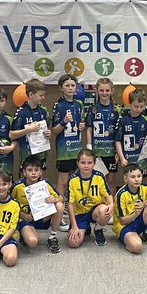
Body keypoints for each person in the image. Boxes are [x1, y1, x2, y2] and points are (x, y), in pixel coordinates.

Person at [11, 155, 65, 253]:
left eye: (36, 170)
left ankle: (52, 237)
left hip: (42, 216)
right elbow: (8, 204)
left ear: (41, 172)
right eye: (30, 170)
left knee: (59, 205)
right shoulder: (17, 186)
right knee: (32, 242)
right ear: (24, 172)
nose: (33, 173)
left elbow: (61, 198)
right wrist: (22, 214)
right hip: (26, 219)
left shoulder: (45, 183)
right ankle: (24, 234)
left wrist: (54, 199)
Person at [67, 149, 113, 248]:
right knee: (74, 243)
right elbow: (70, 204)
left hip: (95, 211)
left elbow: (108, 195)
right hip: (79, 214)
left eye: (89, 163)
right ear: (78, 163)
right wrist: (74, 226)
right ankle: (85, 227)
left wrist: (111, 205)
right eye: (83, 163)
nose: (86, 166)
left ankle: (98, 229)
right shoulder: (72, 179)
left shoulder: (99, 176)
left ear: (94, 163)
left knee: (105, 210)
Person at [52, 74, 85, 203]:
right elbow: (54, 130)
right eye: (67, 86)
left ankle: (72, 205)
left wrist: (82, 126)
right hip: (64, 150)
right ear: (61, 88)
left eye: (73, 85)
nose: (70, 88)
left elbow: (81, 123)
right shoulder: (59, 106)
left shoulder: (79, 104)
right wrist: (64, 121)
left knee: (75, 180)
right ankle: (59, 206)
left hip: (76, 148)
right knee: (63, 181)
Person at [85, 77, 120, 194]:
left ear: (112, 91)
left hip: (111, 152)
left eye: (107, 90)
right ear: (97, 91)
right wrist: (89, 148)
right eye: (101, 90)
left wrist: (118, 152)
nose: (104, 93)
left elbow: (119, 132)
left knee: (111, 181)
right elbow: (89, 129)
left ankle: (111, 204)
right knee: (97, 181)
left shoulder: (117, 109)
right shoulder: (92, 109)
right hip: (97, 152)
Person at [10, 78, 51, 170]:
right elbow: (11, 135)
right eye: (41, 95)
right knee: (28, 177)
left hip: (41, 152)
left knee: (40, 176)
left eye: (44, 95)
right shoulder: (21, 112)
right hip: (27, 154)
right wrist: (28, 130)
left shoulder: (43, 111)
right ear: (31, 95)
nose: (43, 98)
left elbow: (46, 129)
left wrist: (48, 133)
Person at [115, 88, 147, 174]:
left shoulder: (146, 120)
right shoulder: (123, 120)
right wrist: (122, 158)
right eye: (136, 106)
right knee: (129, 178)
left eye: (141, 107)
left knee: (140, 179)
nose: (139, 109)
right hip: (127, 159)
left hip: (142, 159)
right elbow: (117, 140)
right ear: (130, 104)